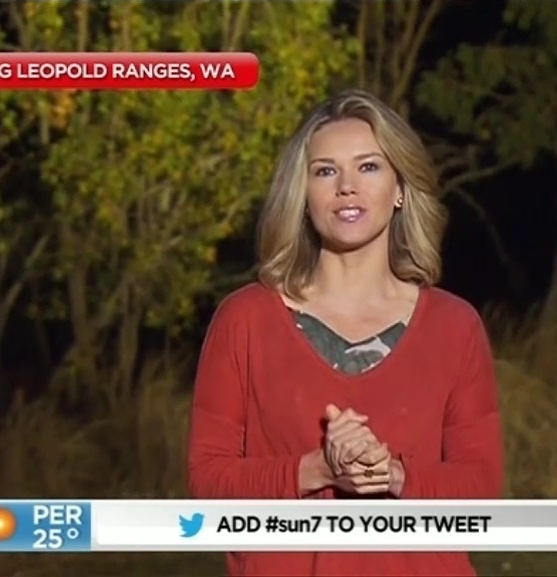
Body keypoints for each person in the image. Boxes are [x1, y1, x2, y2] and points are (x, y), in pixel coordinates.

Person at [187, 89, 503, 576]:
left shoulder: (455, 326)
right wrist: (315, 470)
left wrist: (393, 475)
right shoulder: (245, 319)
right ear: (303, 194)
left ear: (400, 189)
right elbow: (207, 480)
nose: (347, 187)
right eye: (325, 171)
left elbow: (481, 488)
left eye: (368, 167)